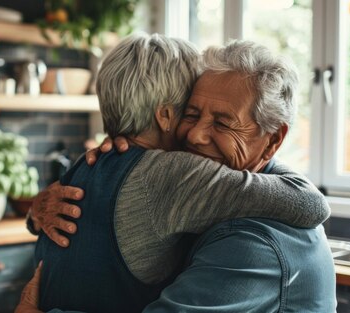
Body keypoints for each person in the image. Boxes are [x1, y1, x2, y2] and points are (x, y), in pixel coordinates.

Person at [18, 35, 333, 313]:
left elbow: (312, 204)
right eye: (191, 113)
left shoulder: (252, 242)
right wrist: (37, 211)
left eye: (223, 123)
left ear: (274, 139)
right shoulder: (175, 181)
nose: (195, 135)